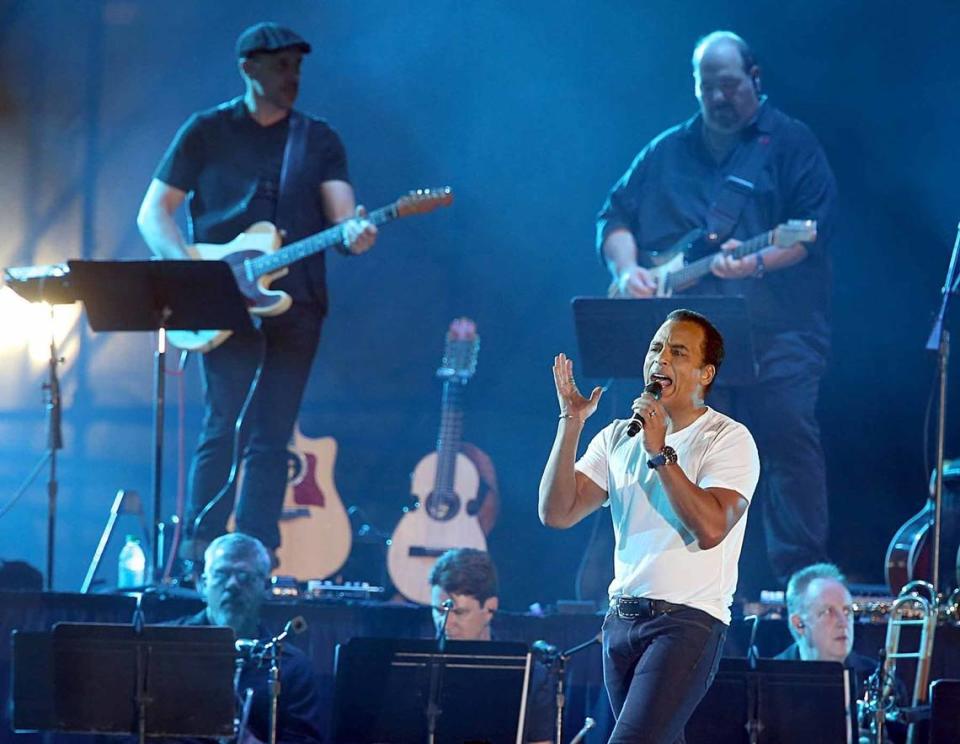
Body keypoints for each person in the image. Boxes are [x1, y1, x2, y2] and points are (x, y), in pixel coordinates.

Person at [596, 30, 837, 587]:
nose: (720, 97)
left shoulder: (792, 144)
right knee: (679, 450)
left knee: (787, 444)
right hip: (692, 348)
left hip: (779, 336)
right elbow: (614, 216)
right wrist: (627, 270)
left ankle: (797, 585)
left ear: (754, 79)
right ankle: (678, 577)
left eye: (729, 85)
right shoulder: (667, 150)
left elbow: (806, 235)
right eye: (708, 87)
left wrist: (755, 263)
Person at [137, 21, 377, 566]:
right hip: (220, 301)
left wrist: (356, 234)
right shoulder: (206, 131)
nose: (292, 76)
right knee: (221, 424)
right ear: (249, 67)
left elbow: (345, 220)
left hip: (299, 304)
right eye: (280, 65)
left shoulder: (318, 139)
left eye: (297, 65)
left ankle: (254, 555)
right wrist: (191, 274)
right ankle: (199, 552)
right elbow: (153, 212)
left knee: (272, 433)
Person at [539, 309, 760, 743]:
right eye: (656, 347)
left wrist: (660, 453)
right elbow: (557, 512)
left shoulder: (727, 438)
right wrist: (572, 422)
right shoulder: (618, 437)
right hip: (620, 623)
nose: (661, 359)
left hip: (686, 624)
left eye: (678, 352)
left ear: (704, 373)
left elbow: (712, 527)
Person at [168, 532, 324, 743]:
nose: (232, 585)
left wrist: (246, 740)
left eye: (245, 577)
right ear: (202, 584)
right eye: (221, 574)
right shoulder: (164, 646)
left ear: (265, 588)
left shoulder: (292, 668)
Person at [428, 548, 554, 744]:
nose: (446, 623)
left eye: (459, 612)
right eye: (438, 610)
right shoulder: (416, 666)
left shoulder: (529, 674)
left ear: (490, 609)